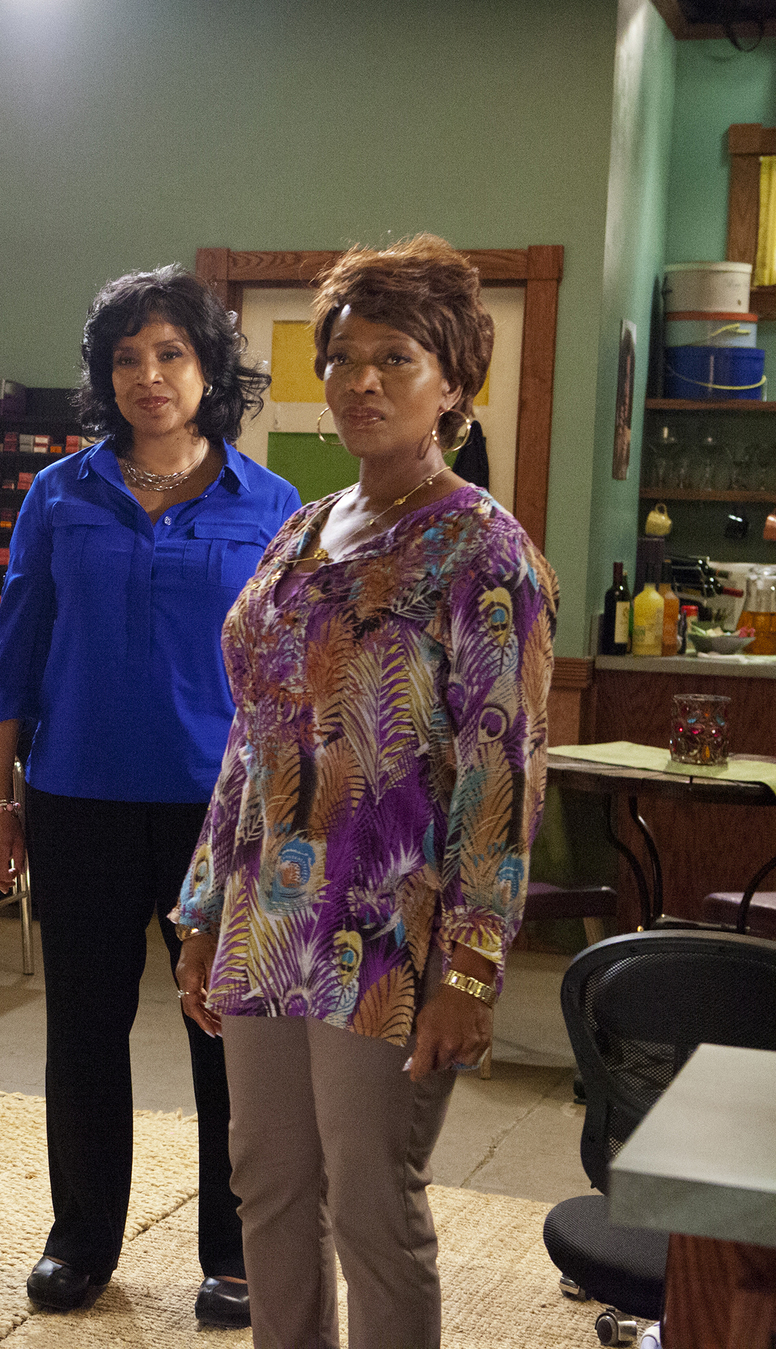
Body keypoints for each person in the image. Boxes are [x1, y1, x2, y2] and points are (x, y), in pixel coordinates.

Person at [174, 234, 557, 1349]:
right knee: (266, 1186)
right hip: (263, 919)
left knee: (372, 1208)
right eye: (341, 357)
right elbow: (249, 737)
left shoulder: (485, 554)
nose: (361, 381)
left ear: (453, 384)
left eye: (395, 357)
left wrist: (473, 972)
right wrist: (202, 911)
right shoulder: (300, 530)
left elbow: (503, 773)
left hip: (391, 935)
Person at [0, 266, 299, 1323]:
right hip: (75, 795)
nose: (147, 377)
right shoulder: (56, 495)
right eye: (125, 358)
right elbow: (13, 653)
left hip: (222, 815)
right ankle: (80, 1241)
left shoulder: (272, 504)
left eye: (168, 355)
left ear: (209, 371)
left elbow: (288, 678)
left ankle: (234, 1249)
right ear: (101, 377)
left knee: (225, 1035)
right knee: (83, 1026)